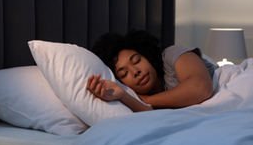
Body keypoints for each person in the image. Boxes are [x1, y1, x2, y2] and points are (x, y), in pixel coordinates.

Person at [86, 29, 218, 112]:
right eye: (124, 73)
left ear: (147, 56)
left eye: (137, 60)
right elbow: (155, 118)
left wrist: (146, 99)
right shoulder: (137, 99)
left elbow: (201, 89)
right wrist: (124, 95)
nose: (135, 71)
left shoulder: (171, 55)